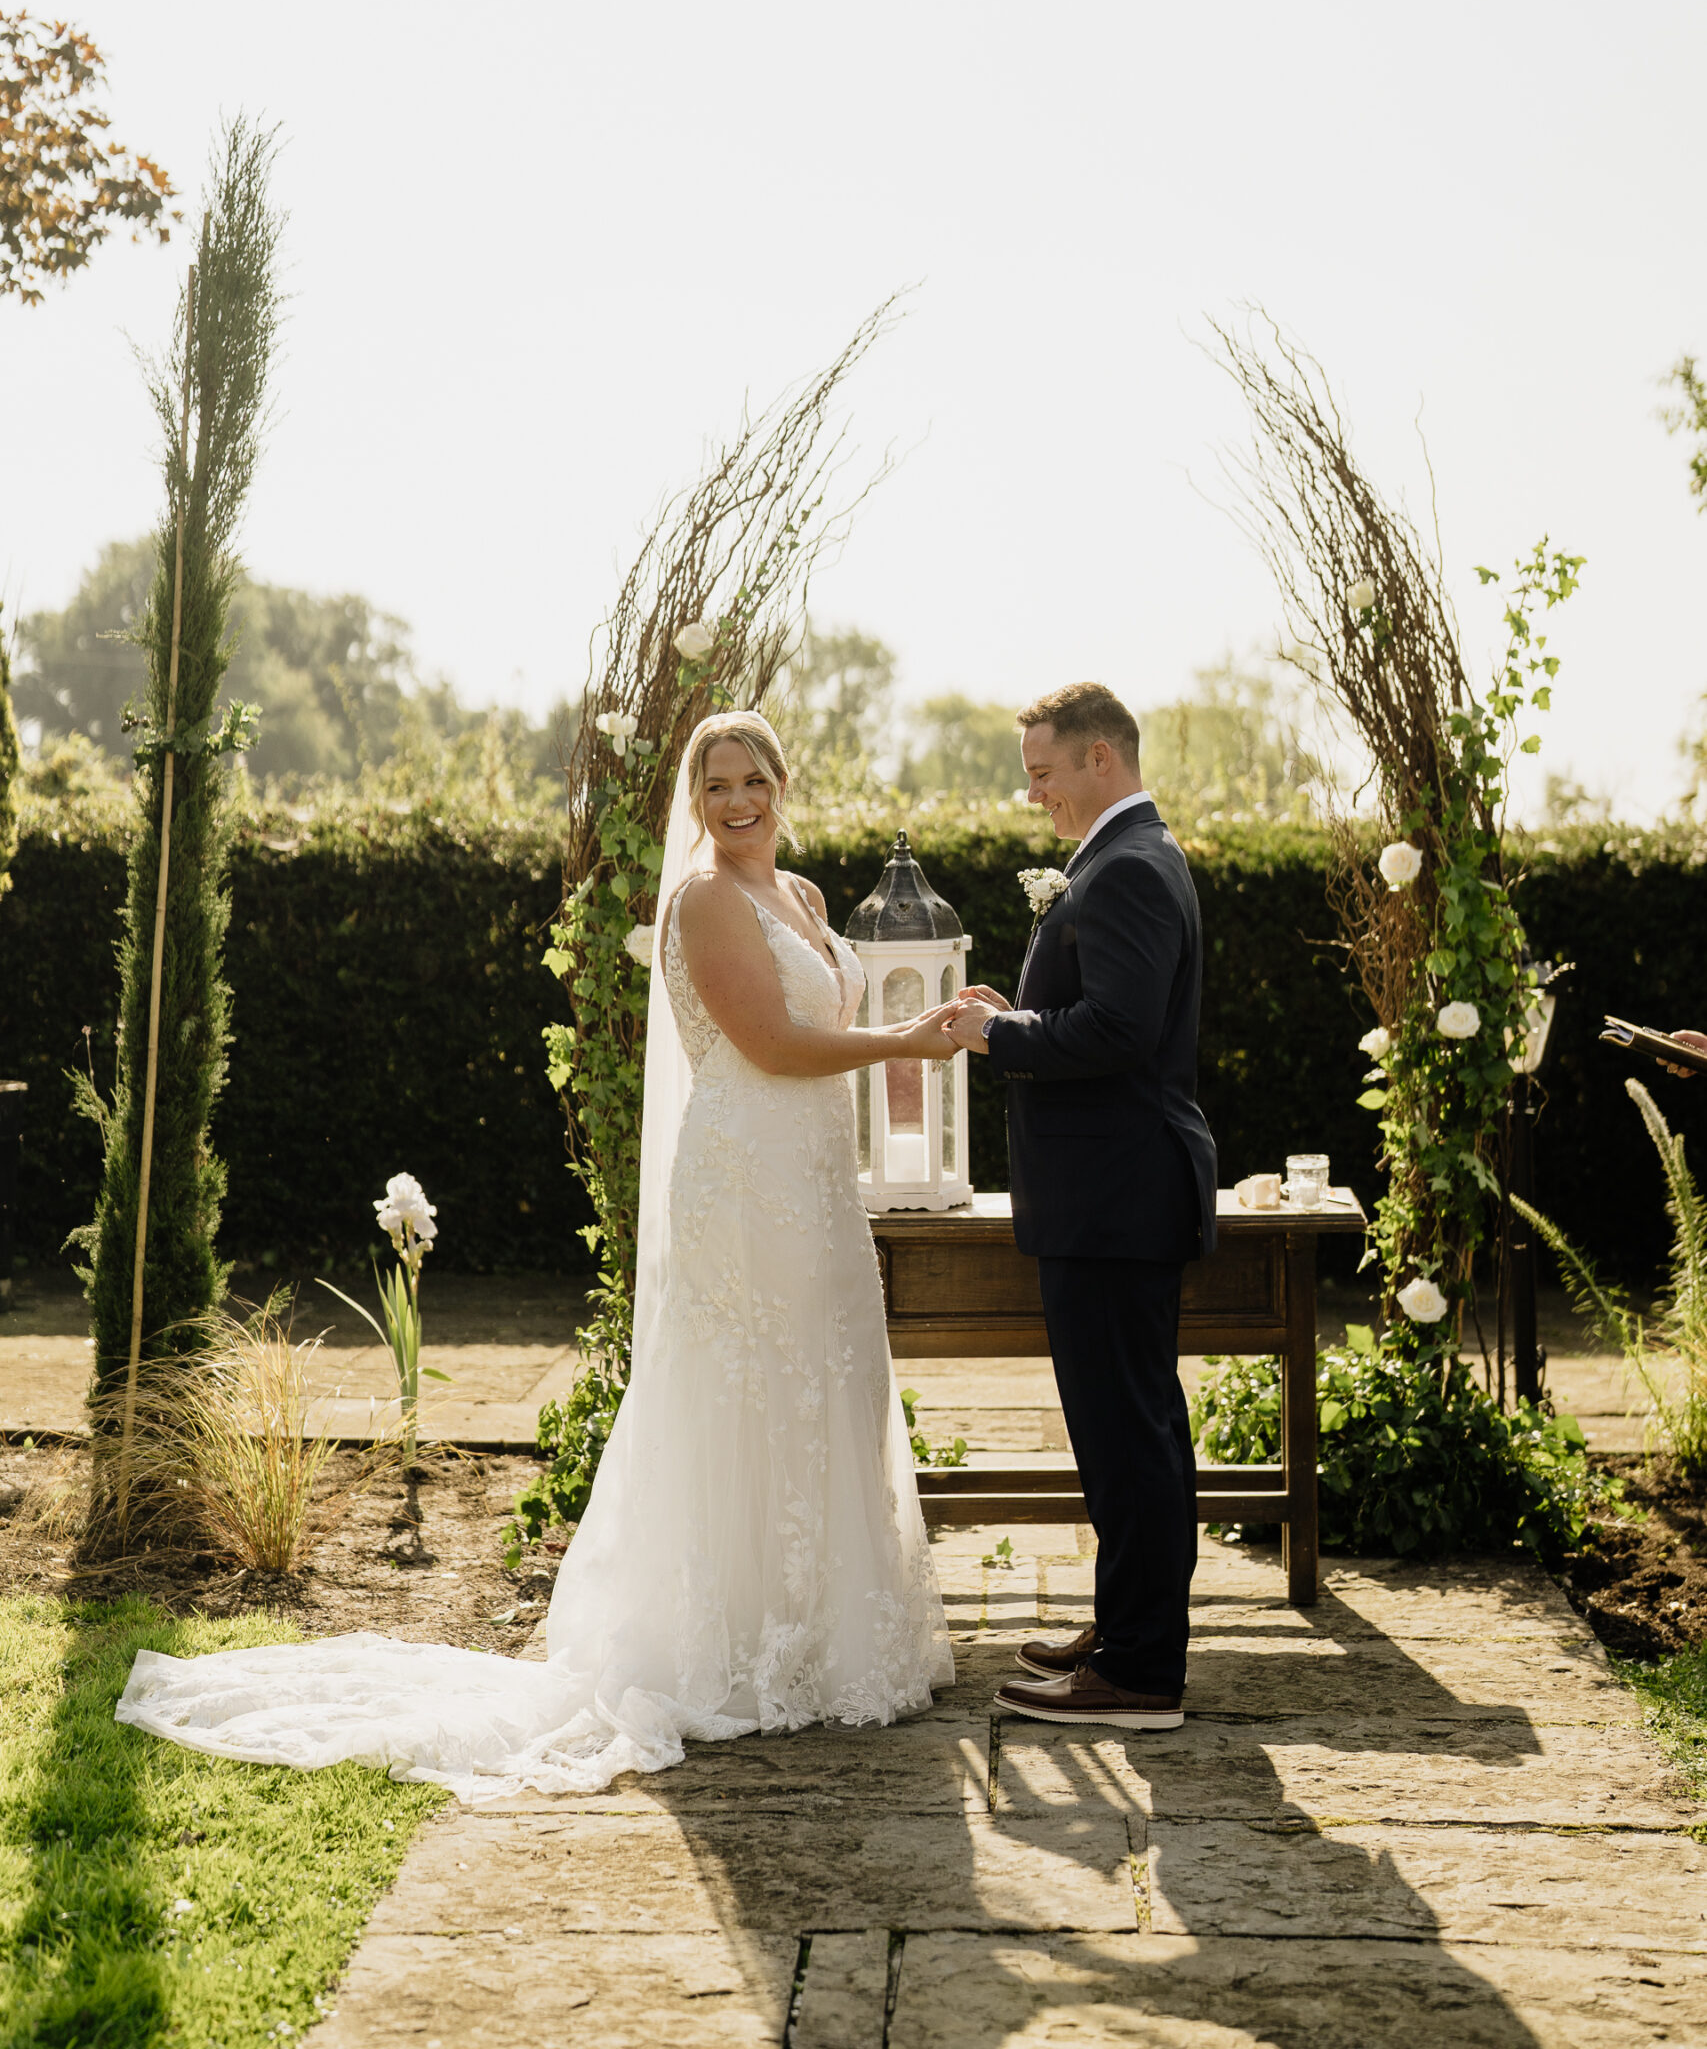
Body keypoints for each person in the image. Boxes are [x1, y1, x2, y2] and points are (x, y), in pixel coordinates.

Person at [116, 712, 956, 1796]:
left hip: (813, 1184)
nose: (737, 800)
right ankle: (740, 1654)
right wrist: (908, 1037)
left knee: (825, 1384)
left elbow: (833, 1017)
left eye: (754, 779)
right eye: (716, 785)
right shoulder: (700, 902)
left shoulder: (799, 899)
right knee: (747, 1389)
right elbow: (771, 1044)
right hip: (744, 1182)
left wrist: (919, 1029)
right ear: (696, 804)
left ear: (785, 786)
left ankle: (826, 1634)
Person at [943, 680, 1216, 1734]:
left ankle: (1144, 1671)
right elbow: (1105, 1019)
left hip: (1117, 1196)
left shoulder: (1131, 867)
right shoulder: (1129, 858)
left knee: (1133, 1435)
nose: (1036, 793)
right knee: (1123, 1433)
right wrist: (1024, 1017)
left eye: (1045, 773)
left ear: (1102, 757)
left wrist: (998, 1040)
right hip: (1111, 1193)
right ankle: (1125, 1628)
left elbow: (1120, 1032)